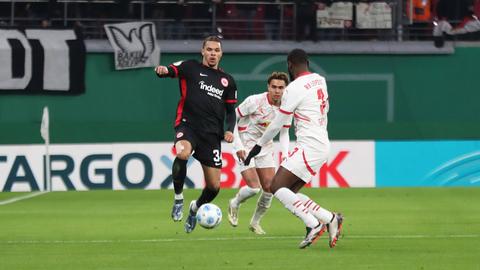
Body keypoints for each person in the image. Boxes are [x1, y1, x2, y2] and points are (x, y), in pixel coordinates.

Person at [244, 49, 343, 249]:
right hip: (322, 143)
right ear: (307, 62)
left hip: (309, 145)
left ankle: (313, 224)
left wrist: (257, 146)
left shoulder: (294, 88)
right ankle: (330, 218)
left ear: (290, 65)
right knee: (290, 191)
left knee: (275, 186)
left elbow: (277, 123)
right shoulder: (320, 80)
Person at [154, 36, 237, 233]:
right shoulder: (190, 67)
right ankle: (178, 199)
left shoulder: (228, 82)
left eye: (216, 50)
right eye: (209, 50)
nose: (212, 54)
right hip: (188, 125)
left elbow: (231, 111)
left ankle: (194, 208)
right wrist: (163, 71)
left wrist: (229, 130)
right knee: (182, 153)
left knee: (214, 187)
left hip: (211, 136)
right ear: (202, 51)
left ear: (221, 54)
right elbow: (170, 70)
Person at [228, 72, 290, 235]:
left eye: (281, 88)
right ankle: (234, 203)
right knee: (254, 188)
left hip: (265, 148)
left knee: (270, 189)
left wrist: (285, 154)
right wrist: (238, 145)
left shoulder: (287, 107)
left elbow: (284, 133)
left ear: (285, 89)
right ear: (268, 87)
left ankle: (255, 223)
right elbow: (230, 119)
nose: (277, 91)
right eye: (274, 87)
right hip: (245, 145)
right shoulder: (254, 101)